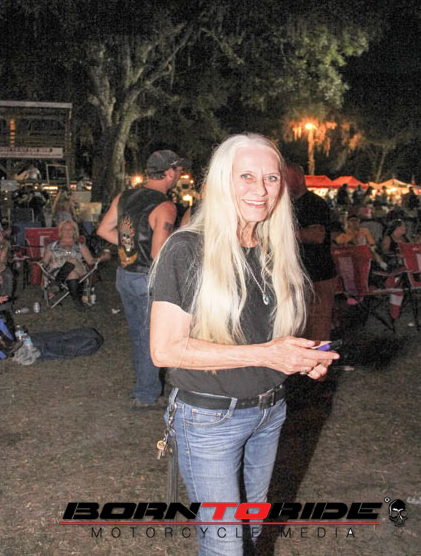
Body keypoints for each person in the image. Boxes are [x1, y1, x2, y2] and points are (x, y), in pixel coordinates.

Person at [149, 134, 338, 556]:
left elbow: (265, 337)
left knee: (250, 532)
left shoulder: (274, 249)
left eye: (271, 178)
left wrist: (299, 357)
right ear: (221, 181)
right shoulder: (187, 248)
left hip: (269, 413)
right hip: (209, 419)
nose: (261, 189)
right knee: (226, 546)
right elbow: (164, 349)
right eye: (246, 176)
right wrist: (267, 354)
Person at [97, 149, 189, 409]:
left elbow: (104, 230)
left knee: (140, 335)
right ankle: (147, 395)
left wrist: (131, 248)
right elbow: (159, 254)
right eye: (179, 170)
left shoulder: (124, 196)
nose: (180, 174)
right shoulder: (166, 207)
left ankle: (144, 388)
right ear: (169, 172)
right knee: (152, 336)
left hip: (125, 274)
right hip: (147, 279)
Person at [284, 163, 338, 341]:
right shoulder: (287, 205)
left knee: (318, 325)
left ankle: (320, 357)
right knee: (298, 325)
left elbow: (317, 236)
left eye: (286, 177)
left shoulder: (315, 204)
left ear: (299, 179)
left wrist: (284, 234)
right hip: (296, 275)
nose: (282, 182)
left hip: (318, 276)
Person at [42, 220, 97, 310]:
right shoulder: (52, 246)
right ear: (61, 231)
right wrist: (41, 263)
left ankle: (57, 283)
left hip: (79, 270)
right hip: (57, 271)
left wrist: (101, 258)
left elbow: (90, 261)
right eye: (65, 229)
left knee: (73, 260)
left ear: (75, 231)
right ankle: (78, 304)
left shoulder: (80, 246)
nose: (68, 231)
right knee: (72, 273)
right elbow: (45, 261)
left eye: (70, 229)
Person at [0, 223, 13, 306]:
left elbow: (2, 261)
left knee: (7, 275)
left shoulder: (3, 244)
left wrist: (3, 264)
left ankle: (5, 307)